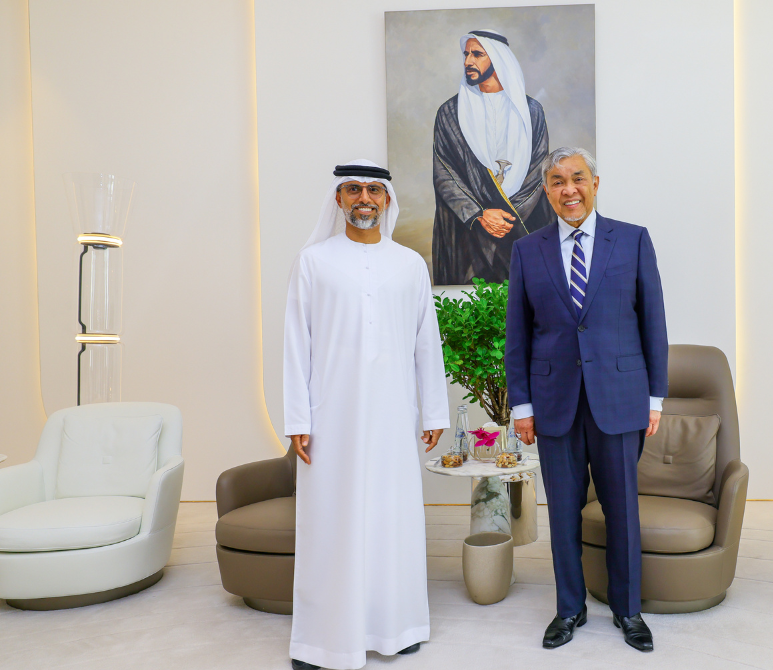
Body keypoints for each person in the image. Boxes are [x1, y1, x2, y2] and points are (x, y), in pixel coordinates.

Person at [283, 160, 450, 670]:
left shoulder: (409, 264)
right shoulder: (314, 261)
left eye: (374, 190)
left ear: (387, 200)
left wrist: (434, 410)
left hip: (395, 416)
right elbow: (296, 344)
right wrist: (297, 420)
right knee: (330, 523)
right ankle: (320, 642)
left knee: (392, 520)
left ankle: (396, 627)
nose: (364, 199)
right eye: (353, 190)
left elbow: (427, 343)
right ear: (338, 200)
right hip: (330, 418)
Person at [505, 148, 668, 652]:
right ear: (547, 191)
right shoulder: (527, 250)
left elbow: (653, 323)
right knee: (564, 513)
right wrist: (521, 405)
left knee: (622, 510)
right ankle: (569, 607)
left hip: (620, 399)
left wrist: (655, 396)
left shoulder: (634, 239)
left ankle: (628, 609)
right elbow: (519, 333)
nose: (568, 189)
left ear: (595, 182)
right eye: (556, 182)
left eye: (577, 179)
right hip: (553, 402)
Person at [432, 28, 556, 285]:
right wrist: (479, 215)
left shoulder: (532, 111)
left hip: (521, 229)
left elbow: (538, 173)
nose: (468, 62)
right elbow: (445, 174)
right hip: (469, 232)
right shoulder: (449, 112)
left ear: (499, 59)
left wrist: (506, 218)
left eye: (477, 54)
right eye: (466, 55)